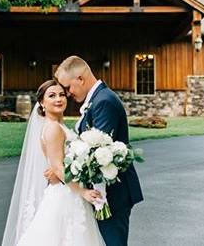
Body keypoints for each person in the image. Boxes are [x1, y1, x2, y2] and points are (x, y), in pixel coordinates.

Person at [52, 56, 144, 246]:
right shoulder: (96, 99)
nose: (67, 94)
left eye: (68, 88)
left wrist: (64, 172)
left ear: (80, 79)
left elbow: (96, 154)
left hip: (112, 194)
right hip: (102, 192)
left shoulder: (104, 102)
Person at [1, 79, 105, 246]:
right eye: (52, 96)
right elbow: (57, 167)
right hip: (67, 194)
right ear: (42, 103)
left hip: (67, 190)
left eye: (62, 95)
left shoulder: (58, 125)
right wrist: (82, 192)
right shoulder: (53, 128)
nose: (58, 99)